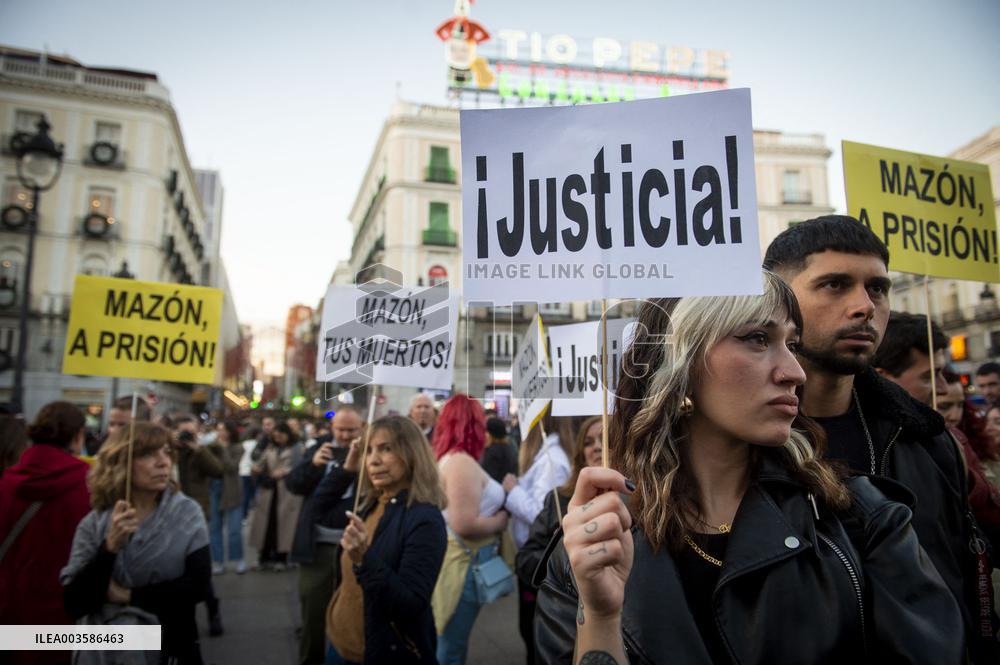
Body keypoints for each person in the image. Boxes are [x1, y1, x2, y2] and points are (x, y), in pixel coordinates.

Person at [536, 272, 963, 665]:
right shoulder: (594, 540)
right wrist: (600, 615)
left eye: (792, 344)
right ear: (678, 363)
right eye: (758, 338)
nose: (794, 372)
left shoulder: (863, 520)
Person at [763, 214, 994, 660]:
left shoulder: (926, 439)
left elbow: (959, 580)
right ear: (778, 300)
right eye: (834, 285)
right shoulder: (737, 447)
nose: (865, 306)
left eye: (877, 288)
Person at [62, 423, 211, 665]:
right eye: (148, 454)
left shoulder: (187, 514)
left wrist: (127, 595)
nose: (163, 462)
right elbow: (75, 602)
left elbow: (197, 587)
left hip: (170, 646)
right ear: (121, 463)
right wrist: (109, 548)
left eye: (166, 452)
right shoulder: (95, 523)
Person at [325, 416, 447, 665]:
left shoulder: (424, 519)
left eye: (386, 449)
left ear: (411, 453)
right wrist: (346, 470)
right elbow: (319, 512)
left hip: (379, 651)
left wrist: (364, 558)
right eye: (368, 451)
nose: (373, 460)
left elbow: (410, 603)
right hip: (338, 643)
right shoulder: (370, 501)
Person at [0, 402, 91, 665]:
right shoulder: (88, 485)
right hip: (61, 621)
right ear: (77, 437)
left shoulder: (7, 481)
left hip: (9, 611)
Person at [431, 394, 509, 665]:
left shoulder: (453, 458)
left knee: (451, 643)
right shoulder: (460, 462)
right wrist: (501, 521)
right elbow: (463, 523)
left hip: (463, 562)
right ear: (474, 424)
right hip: (463, 564)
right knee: (451, 647)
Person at [287, 405, 363, 665]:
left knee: (352, 615)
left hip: (354, 543)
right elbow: (293, 484)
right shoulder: (318, 448)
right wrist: (313, 465)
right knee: (313, 613)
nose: (345, 436)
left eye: (351, 430)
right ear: (332, 428)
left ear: (361, 428)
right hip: (318, 545)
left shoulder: (369, 451)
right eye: (340, 429)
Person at [502, 411, 573, 662]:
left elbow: (541, 514)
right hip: (531, 560)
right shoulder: (545, 456)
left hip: (540, 565)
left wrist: (513, 491)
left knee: (536, 637)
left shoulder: (554, 460)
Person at [516, 415, 602, 590]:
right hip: (564, 612)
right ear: (581, 455)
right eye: (588, 442)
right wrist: (562, 555)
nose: (598, 447)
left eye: (606, 440)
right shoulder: (558, 499)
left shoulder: (639, 503)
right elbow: (525, 560)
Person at [173, 414, 225, 635]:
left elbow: (218, 471)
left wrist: (198, 449)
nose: (187, 437)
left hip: (196, 516)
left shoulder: (203, 451)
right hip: (172, 516)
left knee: (199, 569)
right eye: (183, 433)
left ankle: (212, 609)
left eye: (191, 432)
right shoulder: (168, 451)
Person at [249, 421, 304, 570]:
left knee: (284, 526)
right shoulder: (271, 447)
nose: (278, 439)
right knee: (265, 526)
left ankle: (282, 558)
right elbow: (260, 462)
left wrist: (284, 472)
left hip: (287, 492)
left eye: (280, 436)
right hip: (269, 491)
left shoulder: (297, 448)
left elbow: (300, 467)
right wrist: (256, 470)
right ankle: (264, 557)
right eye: (275, 436)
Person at [208, 419, 245, 574]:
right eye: (218, 429)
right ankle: (217, 560)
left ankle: (238, 559)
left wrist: (223, 450)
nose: (220, 433)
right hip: (213, 489)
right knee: (214, 527)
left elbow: (231, 467)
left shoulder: (237, 447)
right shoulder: (211, 447)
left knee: (234, 529)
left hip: (232, 490)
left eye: (223, 429)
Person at [480, 416, 518, 484]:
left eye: (485, 432)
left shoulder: (494, 452)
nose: (483, 435)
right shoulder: (508, 446)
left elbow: (490, 478)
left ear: (492, 434)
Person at [238, 425, 261, 520]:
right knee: (253, 493)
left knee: (245, 494)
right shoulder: (257, 444)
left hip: (242, 471)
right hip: (252, 472)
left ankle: (244, 515)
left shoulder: (243, 444)